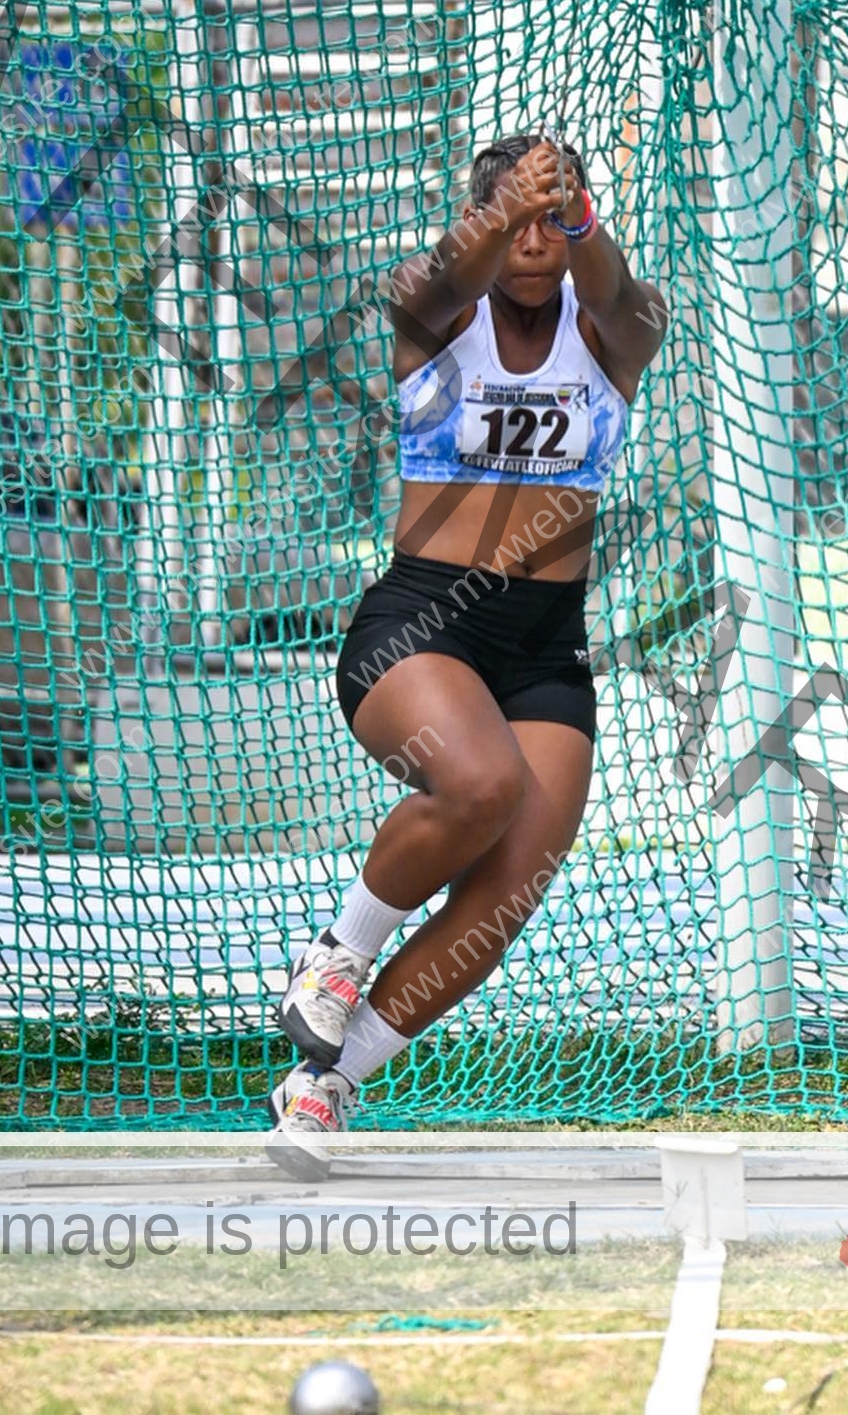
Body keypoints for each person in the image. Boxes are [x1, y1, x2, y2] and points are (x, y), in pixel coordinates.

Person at [269, 134, 667, 1154]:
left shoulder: (619, 327)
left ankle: (326, 1083)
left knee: (504, 895)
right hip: (423, 624)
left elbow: (617, 292)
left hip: (545, 649)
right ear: (480, 219)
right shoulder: (432, 311)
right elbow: (445, 278)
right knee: (481, 785)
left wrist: (571, 212)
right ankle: (337, 955)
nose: (535, 240)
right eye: (514, 220)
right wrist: (505, 210)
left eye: (555, 221)